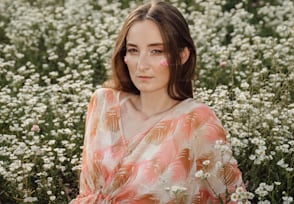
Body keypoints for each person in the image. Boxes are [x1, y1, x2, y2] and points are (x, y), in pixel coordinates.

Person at [70, 0, 245, 203]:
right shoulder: (103, 103)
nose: (142, 65)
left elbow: (232, 197)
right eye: (134, 50)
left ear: (182, 56)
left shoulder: (196, 120)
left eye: (156, 51)